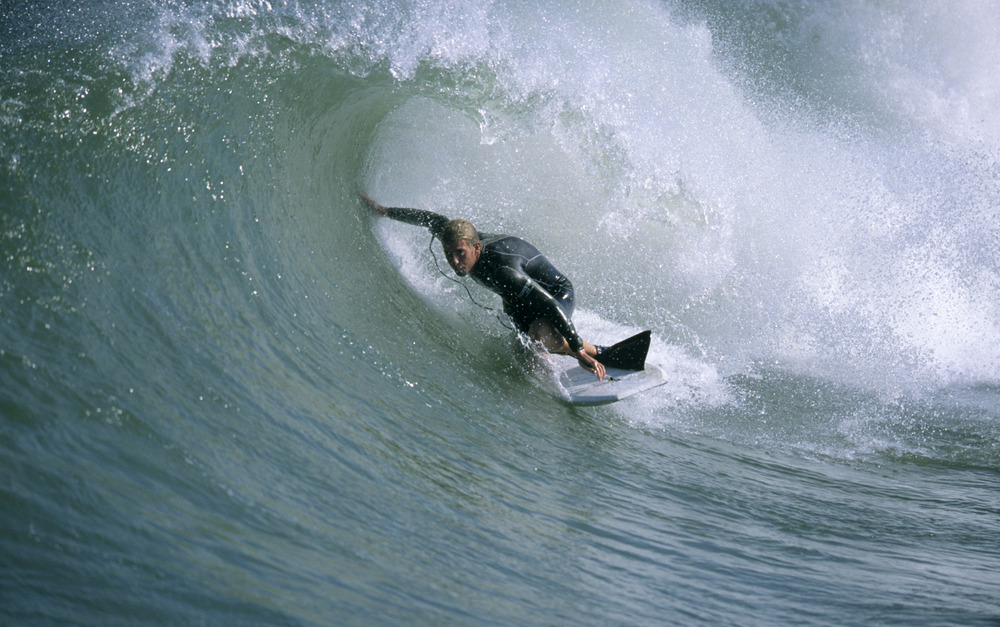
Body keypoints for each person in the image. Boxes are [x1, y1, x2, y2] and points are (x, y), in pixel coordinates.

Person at [362, 194, 607, 380]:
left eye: (460, 254)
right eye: (449, 254)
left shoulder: (504, 270)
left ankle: (595, 352)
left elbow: (551, 304)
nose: (454, 262)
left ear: (476, 248)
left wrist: (576, 348)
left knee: (538, 336)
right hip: (518, 299)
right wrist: (384, 212)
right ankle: (564, 347)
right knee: (521, 352)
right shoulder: (458, 237)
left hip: (556, 292)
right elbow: (430, 219)